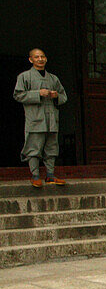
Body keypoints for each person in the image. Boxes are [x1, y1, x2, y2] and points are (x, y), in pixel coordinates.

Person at [13, 48, 67, 187]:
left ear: (46, 59)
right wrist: (38, 93)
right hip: (35, 118)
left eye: (42, 56)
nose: (40, 59)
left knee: (51, 148)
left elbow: (64, 97)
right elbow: (18, 95)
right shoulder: (24, 76)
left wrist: (56, 96)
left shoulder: (53, 78)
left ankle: (50, 175)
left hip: (51, 118)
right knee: (34, 147)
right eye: (36, 57)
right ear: (31, 59)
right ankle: (35, 175)